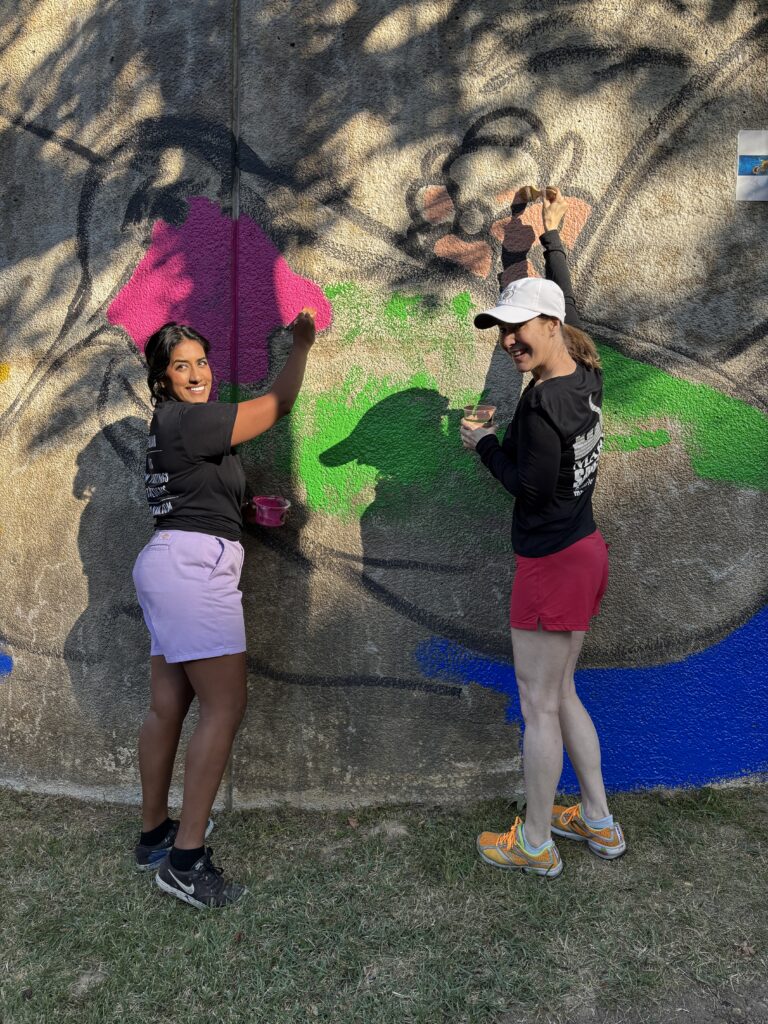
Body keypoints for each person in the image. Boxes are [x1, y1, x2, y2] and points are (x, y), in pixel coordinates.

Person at [461, 188, 625, 879]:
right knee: (564, 696)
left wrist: (483, 445)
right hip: (584, 552)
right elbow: (560, 301)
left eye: (518, 330)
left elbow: (528, 489)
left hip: (551, 563)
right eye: (503, 330)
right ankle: (599, 822)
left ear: (550, 326)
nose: (508, 342)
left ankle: (534, 842)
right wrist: (538, 243)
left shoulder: (537, 411)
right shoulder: (584, 370)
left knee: (539, 706)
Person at [132, 310, 316, 907]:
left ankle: (155, 835)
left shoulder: (172, 425)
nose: (195, 373)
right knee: (225, 705)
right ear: (161, 378)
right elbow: (277, 405)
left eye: (202, 362)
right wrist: (300, 347)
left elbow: (198, 497)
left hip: (169, 560)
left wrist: (246, 514)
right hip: (193, 569)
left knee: (169, 705)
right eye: (180, 366)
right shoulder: (191, 420)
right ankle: (185, 862)